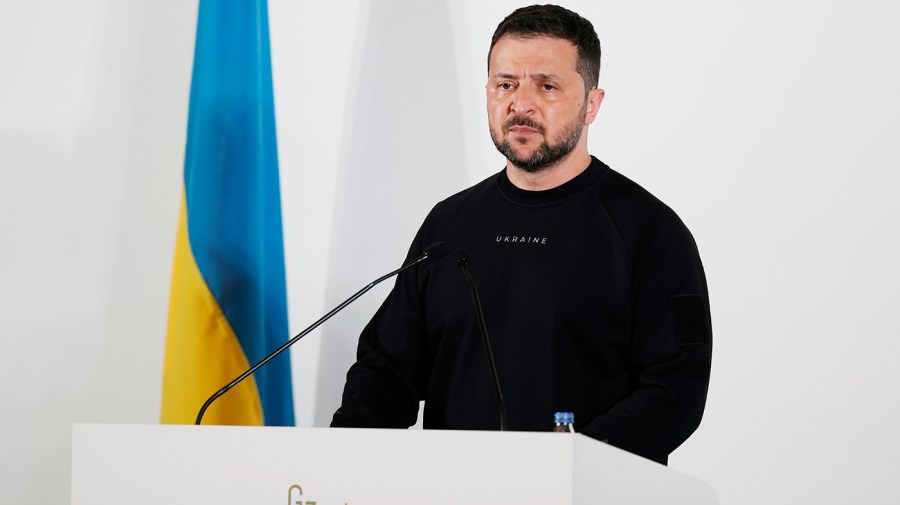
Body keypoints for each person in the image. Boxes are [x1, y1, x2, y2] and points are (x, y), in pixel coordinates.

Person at [331, 4, 712, 465]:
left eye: (547, 86)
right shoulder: (447, 225)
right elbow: (386, 368)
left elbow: (676, 391)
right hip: (449, 491)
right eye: (506, 84)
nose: (521, 104)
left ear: (592, 103)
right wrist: (345, 457)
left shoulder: (653, 232)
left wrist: (567, 468)